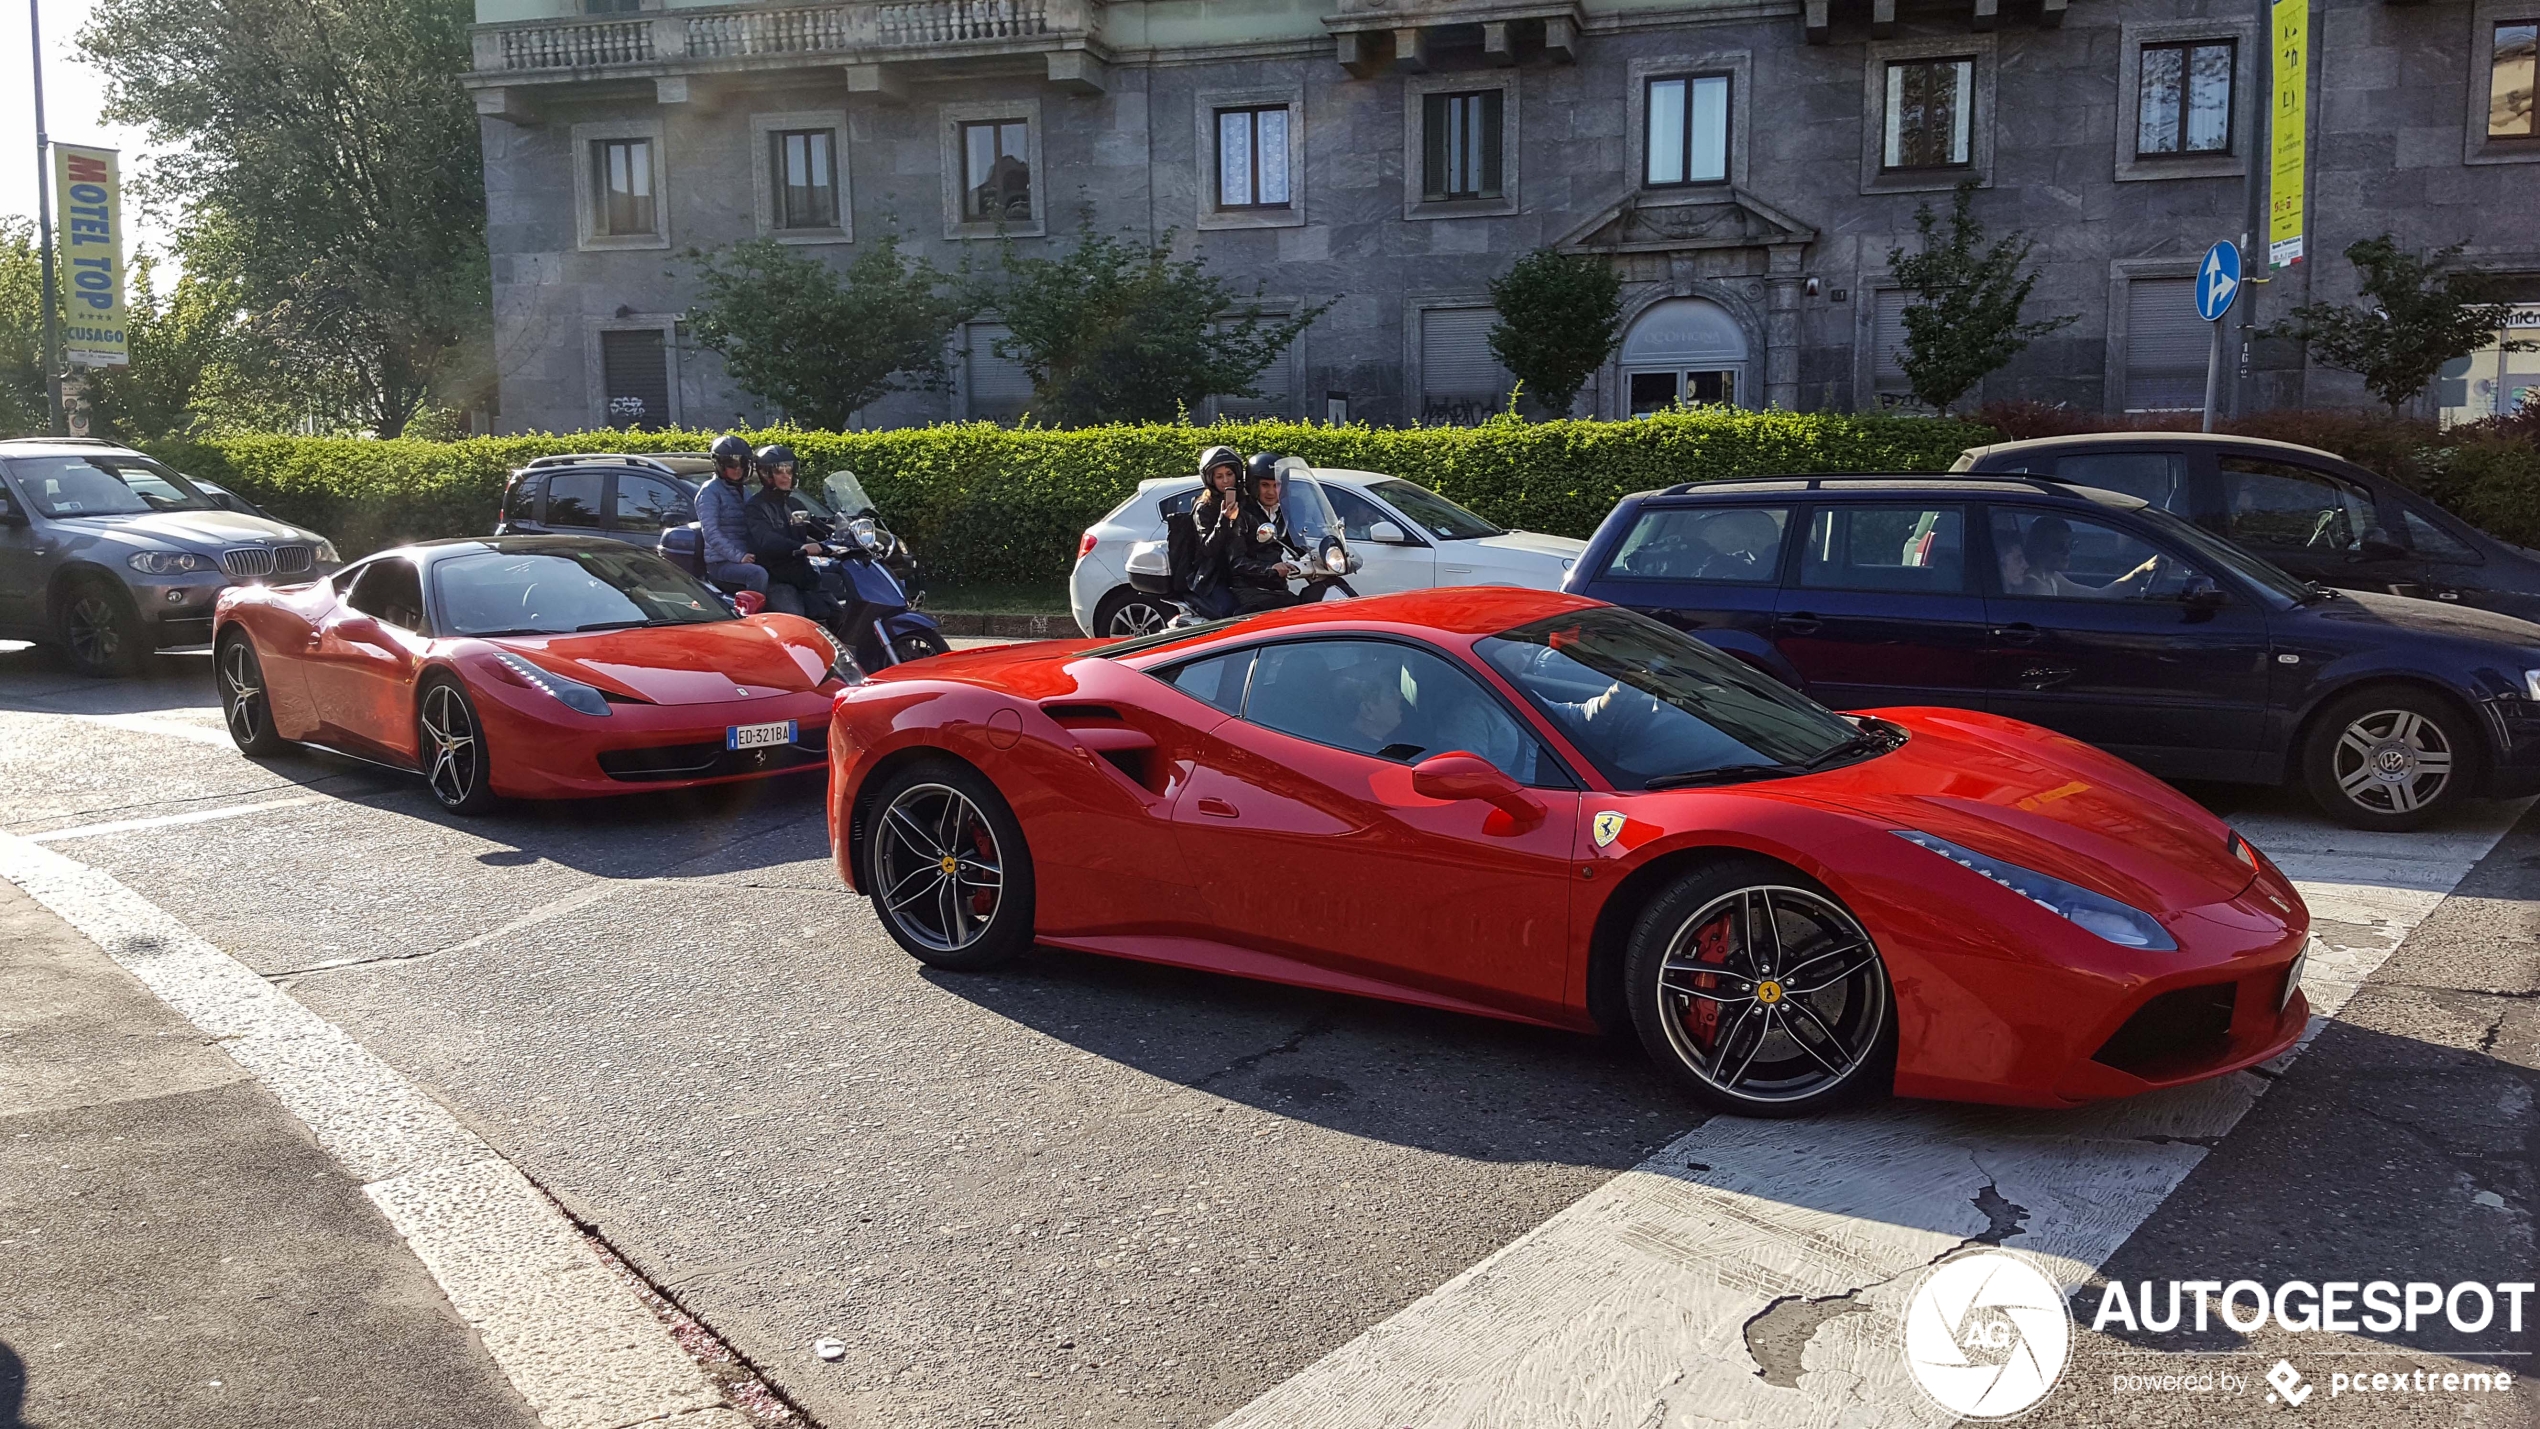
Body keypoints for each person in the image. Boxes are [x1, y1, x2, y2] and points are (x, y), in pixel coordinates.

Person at [744, 443, 829, 619]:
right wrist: (802, 547)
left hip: (801, 574)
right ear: (766, 474)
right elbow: (766, 540)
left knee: (835, 612)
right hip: (777, 577)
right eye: (779, 472)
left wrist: (847, 533)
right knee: (794, 620)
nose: (785, 476)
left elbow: (820, 529)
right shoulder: (755, 507)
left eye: (789, 471)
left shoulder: (794, 504)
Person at [1998, 515, 2160, 599]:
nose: (2067, 552)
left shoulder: (2050, 577)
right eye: (2059, 547)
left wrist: (2143, 570)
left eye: (2071, 545)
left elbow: (2100, 595)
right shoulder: (2035, 586)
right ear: (2038, 548)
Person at [1226, 453, 1303, 612]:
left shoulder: (1282, 512)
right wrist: (1270, 569)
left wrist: (1319, 556)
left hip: (1275, 587)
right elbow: (1237, 561)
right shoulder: (1241, 513)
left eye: (1277, 485)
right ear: (1254, 485)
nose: (1271, 492)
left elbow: (1295, 544)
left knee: (1306, 607)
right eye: (1265, 485)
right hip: (1249, 589)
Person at [1177, 445, 1245, 618]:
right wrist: (1224, 519)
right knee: (1231, 611)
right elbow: (1208, 548)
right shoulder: (1204, 507)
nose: (1225, 481)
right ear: (1210, 479)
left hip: (1241, 570)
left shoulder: (1245, 500)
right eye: (1219, 476)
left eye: (1229, 474)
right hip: (1212, 576)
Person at [697, 434, 767, 600]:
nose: (737, 469)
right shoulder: (709, 491)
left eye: (742, 464)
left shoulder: (743, 490)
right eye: (731, 464)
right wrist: (739, 556)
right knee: (757, 574)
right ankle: (753, 616)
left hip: (744, 556)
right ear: (719, 465)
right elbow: (710, 532)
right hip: (720, 563)